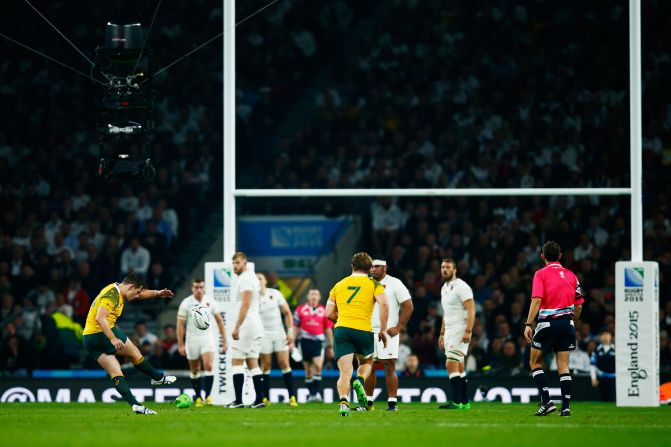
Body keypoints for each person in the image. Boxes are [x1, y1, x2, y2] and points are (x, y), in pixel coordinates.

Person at [81, 272, 176, 414]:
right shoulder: (112, 295)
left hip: (89, 340)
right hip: (100, 333)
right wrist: (113, 338)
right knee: (135, 353)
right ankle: (158, 378)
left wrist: (157, 293)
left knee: (116, 372)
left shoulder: (120, 291)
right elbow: (101, 318)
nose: (137, 296)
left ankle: (136, 405)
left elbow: (142, 294)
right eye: (137, 292)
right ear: (131, 286)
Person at [524, 241, 584, 417]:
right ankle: (565, 408)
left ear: (542, 256)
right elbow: (579, 306)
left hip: (547, 323)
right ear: (560, 255)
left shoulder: (540, 274)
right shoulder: (572, 276)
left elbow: (536, 300)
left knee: (534, 363)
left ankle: (547, 402)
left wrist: (528, 324)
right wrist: (572, 321)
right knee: (563, 366)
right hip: (567, 324)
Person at [325, 252, 388, 417]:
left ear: (352, 266)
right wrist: (383, 329)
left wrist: (343, 321)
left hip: (342, 329)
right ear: (369, 268)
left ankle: (344, 403)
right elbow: (384, 304)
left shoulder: (338, 285)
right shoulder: (375, 285)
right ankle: (359, 381)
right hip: (363, 329)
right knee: (367, 362)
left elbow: (328, 313)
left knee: (344, 372)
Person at [363, 258, 414, 411]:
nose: (373, 269)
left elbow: (408, 306)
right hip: (367, 330)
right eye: (371, 267)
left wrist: (399, 327)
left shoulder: (395, 283)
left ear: (385, 268)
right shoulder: (366, 283)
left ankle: (392, 402)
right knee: (368, 366)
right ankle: (368, 402)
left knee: (388, 366)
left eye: (377, 266)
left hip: (387, 331)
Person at [177, 278, 228, 407]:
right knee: (195, 370)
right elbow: (180, 325)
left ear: (204, 288)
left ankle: (209, 396)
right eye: (196, 287)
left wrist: (225, 341)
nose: (199, 290)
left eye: (201, 287)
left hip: (207, 338)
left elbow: (219, 322)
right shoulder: (186, 303)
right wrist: (181, 344)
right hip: (192, 339)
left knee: (209, 366)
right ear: (192, 288)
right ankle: (199, 397)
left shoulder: (210, 302)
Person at [228, 252, 265, 408]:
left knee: (236, 361)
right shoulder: (252, 278)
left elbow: (245, 304)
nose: (235, 266)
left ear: (245, 262)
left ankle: (238, 401)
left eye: (237, 263)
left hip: (247, 325)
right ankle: (259, 400)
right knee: (252, 363)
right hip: (255, 324)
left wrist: (237, 326)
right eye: (234, 263)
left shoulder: (245, 279)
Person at [438, 258, 475, 410]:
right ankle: (465, 402)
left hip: (460, 328)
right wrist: (441, 333)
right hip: (449, 330)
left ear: (455, 270)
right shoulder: (444, 288)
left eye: (447, 267)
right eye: (442, 267)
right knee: (459, 365)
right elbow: (446, 313)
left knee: (450, 363)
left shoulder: (462, 287)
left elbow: (471, 309)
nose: (444, 270)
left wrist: (468, 330)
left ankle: (456, 401)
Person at [257, 272, 297, 406]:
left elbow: (287, 313)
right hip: (263, 335)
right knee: (266, 365)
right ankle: (265, 398)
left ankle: (292, 397)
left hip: (279, 333)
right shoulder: (252, 298)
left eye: (260, 278)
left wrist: (290, 332)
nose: (258, 281)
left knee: (284, 364)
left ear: (265, 281)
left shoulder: (275, 293)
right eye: (256, 279)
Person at [294, 288, 334, 402]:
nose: (314, 296)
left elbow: (328, 329)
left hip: (318, 342)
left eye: (316, 294)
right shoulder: (300, 309)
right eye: (311, 294)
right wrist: (292, 341)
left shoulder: (324, 310)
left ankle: (315, 393)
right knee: (308, 370)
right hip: (304, 341)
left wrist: (331, 346)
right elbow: (296, 327)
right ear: (308, 296)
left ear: (320, 297)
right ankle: (312, 394)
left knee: (318, 366)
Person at [590, 330, 615, 402]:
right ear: (600, 337)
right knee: (602, 400)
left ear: (611, 336)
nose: (605, 337)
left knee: (613, 400)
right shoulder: (597, 349)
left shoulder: (616, 349)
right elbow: (592, 365)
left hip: (614, 379)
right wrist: (593, 378)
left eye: (607, 335)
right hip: (601, 378)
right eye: (603, 335)